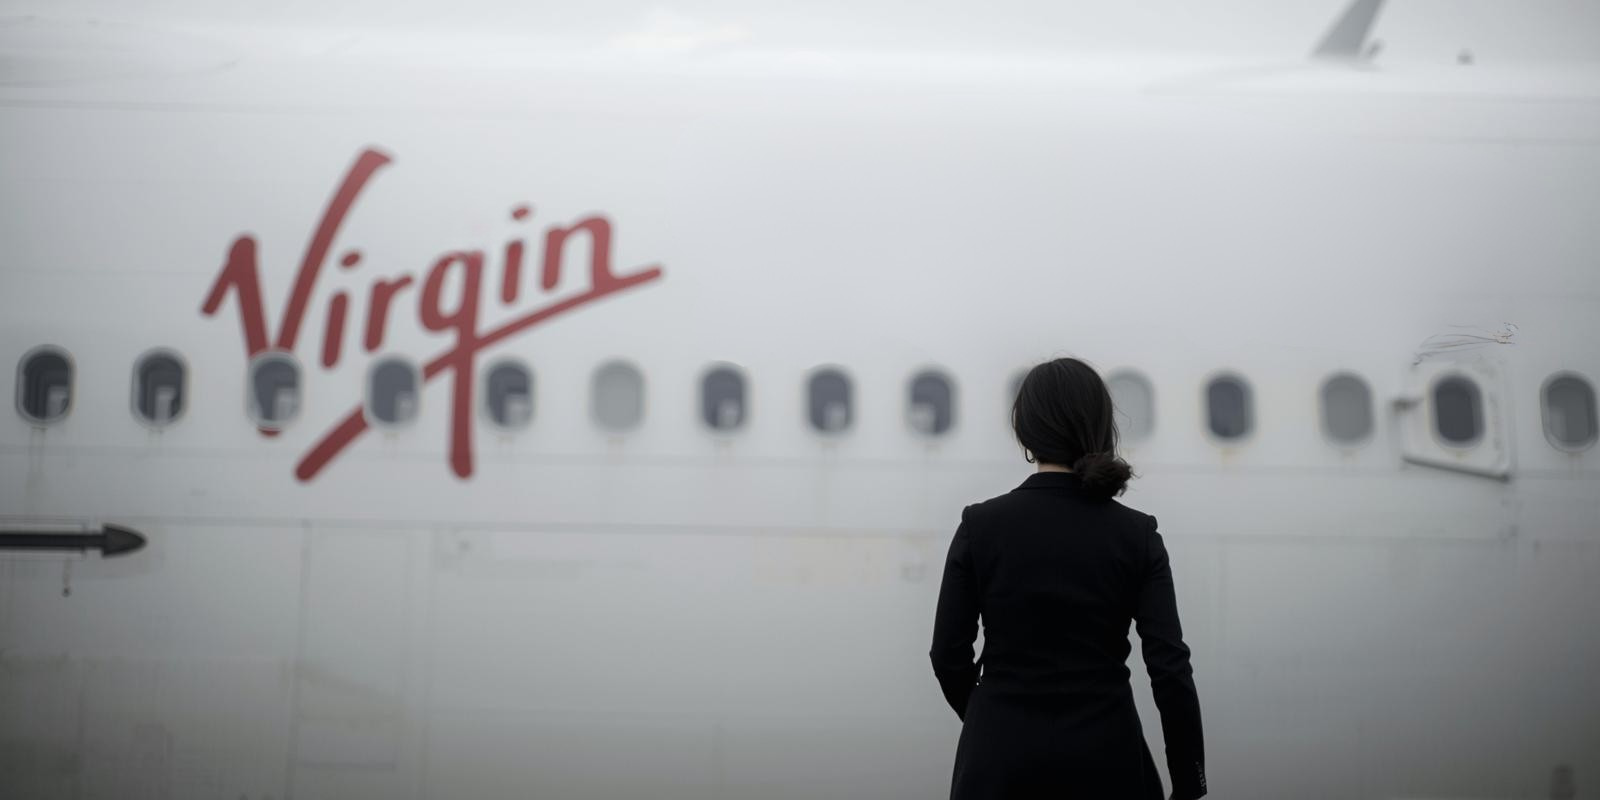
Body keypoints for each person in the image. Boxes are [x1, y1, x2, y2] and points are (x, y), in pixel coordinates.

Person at [930, 357, 1206, 800]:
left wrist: (992, 720)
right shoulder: (1137, 534)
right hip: (1109, 762)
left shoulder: (981, 525)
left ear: (1024, 430)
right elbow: (1170, 669)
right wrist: (1190, 782)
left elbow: (947, 656)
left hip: (998, 766)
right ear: (1100, 425)